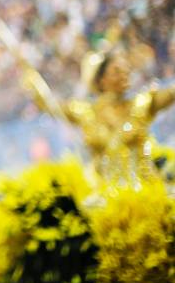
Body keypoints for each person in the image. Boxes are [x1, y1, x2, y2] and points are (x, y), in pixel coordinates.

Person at [24, 49, 175, 185]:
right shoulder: (86, 113)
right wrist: (30, 78)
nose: (124, 74)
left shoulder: (142, 104)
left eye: (126, 70)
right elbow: (49, 106)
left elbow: (170, 93)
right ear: (101, 80)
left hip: (147, 195)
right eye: (116, 71)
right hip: (107, 203)